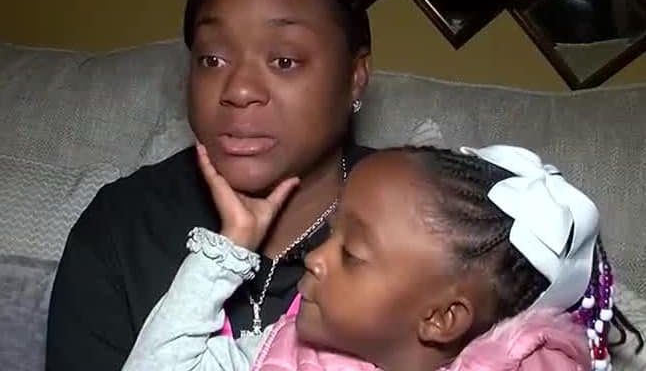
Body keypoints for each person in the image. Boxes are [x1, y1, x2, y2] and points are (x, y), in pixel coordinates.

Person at [46, 0, 373, 369]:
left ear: (355, 77)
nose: (239, 90)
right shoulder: (121, 225)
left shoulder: (422, 219)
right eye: (212, 59)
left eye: (284, 61)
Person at [122, 144, 643, 371]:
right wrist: (230, 247)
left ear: (441, 317)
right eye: (331, 236)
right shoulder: (285, 350)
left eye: (351, 253)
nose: (315, 258)